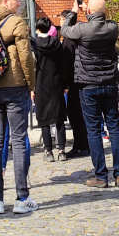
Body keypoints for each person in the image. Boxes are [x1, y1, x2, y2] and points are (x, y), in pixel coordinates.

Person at [61, 0, 119, 188]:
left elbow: (65, 29)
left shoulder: (82, 29)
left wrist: (75, 11)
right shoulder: (112, 28)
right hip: (109, 83)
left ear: (88, 11)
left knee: (94, 130)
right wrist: (91, 10)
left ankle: (101, 175)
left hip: (88, 85)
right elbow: (103, 18)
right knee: (114, 128)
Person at [0, 0, 37, 214]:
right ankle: (22, 198)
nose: (19, 3)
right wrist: (31, 84)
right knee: (18, 140)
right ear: (5, 2)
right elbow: (26, 57)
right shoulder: (16, 22)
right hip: (15, 87)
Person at [31, 18, 70, 162]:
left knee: (44, 119)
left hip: (41, 84)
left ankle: (48, 150)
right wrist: (65, 84)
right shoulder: (57, 44)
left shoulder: (34, 45)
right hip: (56, 83)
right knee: (59, 119)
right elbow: (63, 65)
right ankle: (61, 150)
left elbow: (33, 67)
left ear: (37, 29)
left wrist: (32, 87)